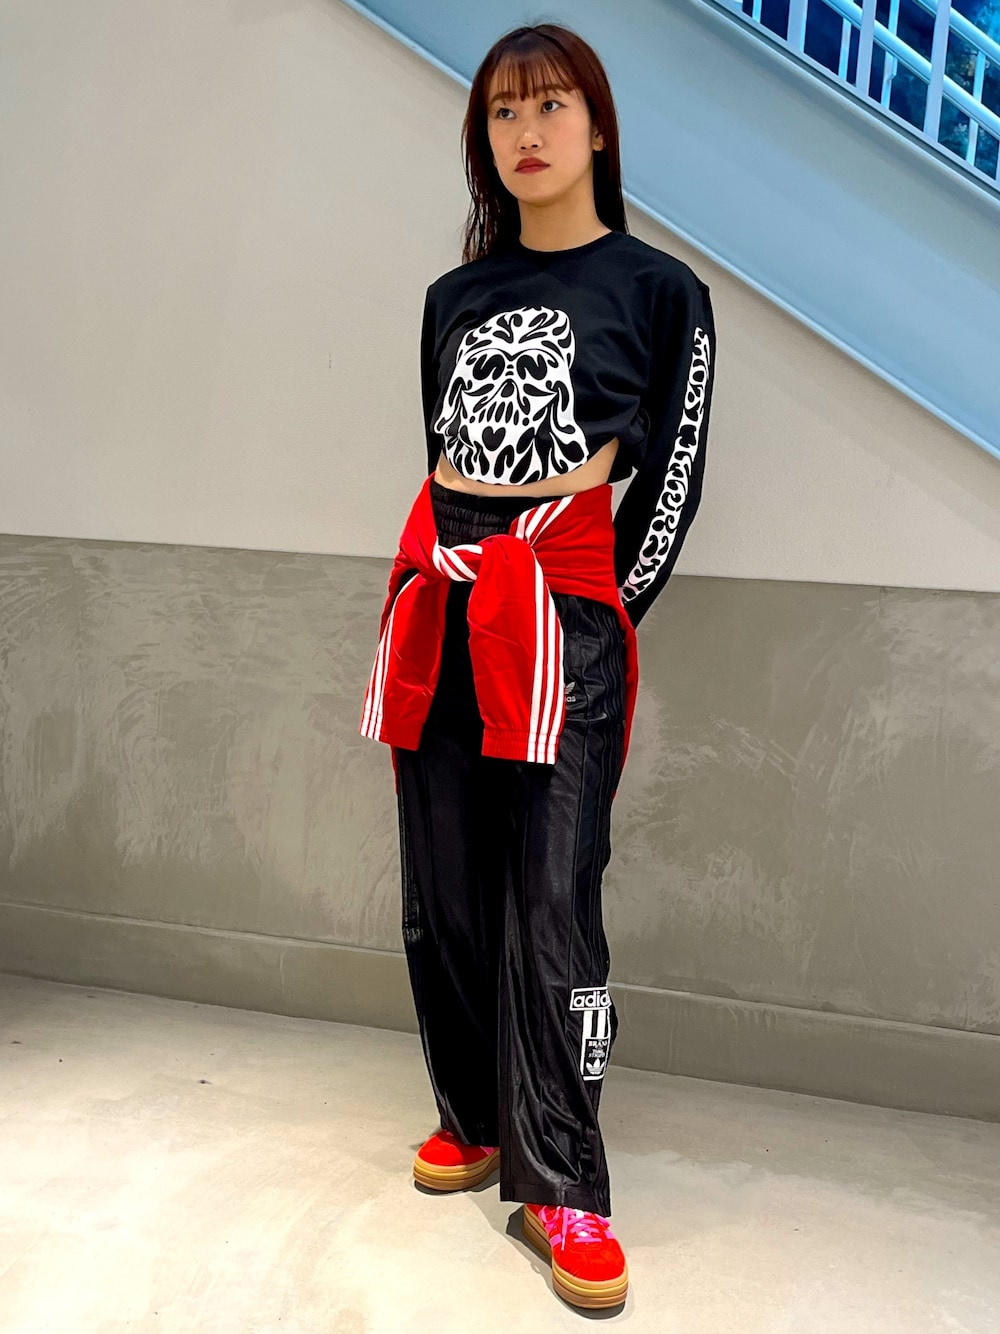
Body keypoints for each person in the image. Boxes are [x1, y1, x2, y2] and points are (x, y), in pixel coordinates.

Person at [359, 22, 716, 1312]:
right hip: (448, 605)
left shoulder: (661, 290)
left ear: (598, 127)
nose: (527, 131)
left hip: (564, 619)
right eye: (504, 113)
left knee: (556, 891)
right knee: (444, 881)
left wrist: (604, 610)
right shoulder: (451, 299)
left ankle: (564, 1182)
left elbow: (671, 476)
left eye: (551, 104)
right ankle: (473, 1114)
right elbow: (444, 454)